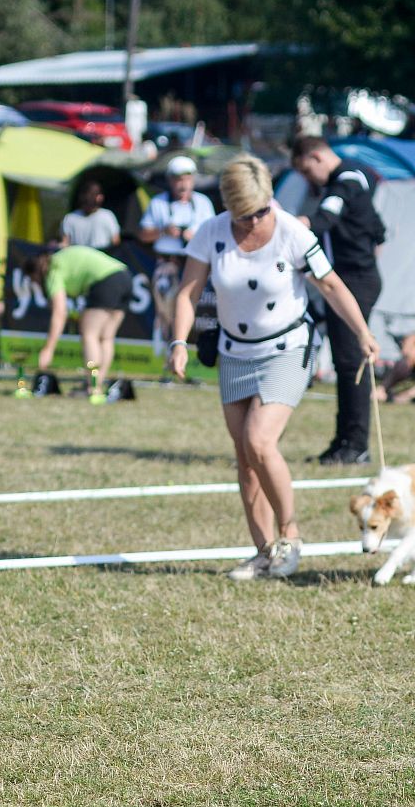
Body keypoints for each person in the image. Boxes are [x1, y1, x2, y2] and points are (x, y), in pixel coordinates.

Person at [168, 155, 379, 581]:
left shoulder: (291, 231)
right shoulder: (211, 232)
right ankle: (264, 553)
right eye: (246, 214)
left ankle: (290, 534)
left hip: (287, 347)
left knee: (259, 440)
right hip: (234, 353)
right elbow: (188, 292)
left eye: (263, 209)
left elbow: (330, 283)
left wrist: (361, 331)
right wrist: (178, 342)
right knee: (245, 461)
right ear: (228, 205)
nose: (256, 220)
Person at [289, 136, 386, 465]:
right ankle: (342, 441)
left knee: (351, 364)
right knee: (346, 363)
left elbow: (329, 212)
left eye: (306, 172)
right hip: (352, 278)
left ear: (316, 156)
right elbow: (379, 231)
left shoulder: (348, 178)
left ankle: (356, 445)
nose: (308, 181)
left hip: (355, 282)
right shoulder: (355, 179)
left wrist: (299, 225)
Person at [140, 155, 216, 356]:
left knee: (195, 312)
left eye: (186, 179)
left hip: (195, 264)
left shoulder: (203, 203)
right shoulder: (158, 203)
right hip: (168, 263)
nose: (182, 184)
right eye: (177, 179)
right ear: (170, 180)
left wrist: (195, 236)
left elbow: (214, 234)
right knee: (166, 313)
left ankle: (192, 359)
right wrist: (164, 231)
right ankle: (169, 361)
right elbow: (143, 234)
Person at [31, 246, 132, 395]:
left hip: (105, 280)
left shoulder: (53, 270)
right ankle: (95, 385)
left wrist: (48, 349)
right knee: (106, 338)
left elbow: (59, 312)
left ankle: (92, 387)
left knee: (90, 335)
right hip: (124, 276)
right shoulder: (61, 259)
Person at [59, 179, 121, 249]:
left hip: (80, 257)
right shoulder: (108, 216)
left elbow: (64, 244)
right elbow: (116, 242)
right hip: (98, 257)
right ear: (100, 197)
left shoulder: (69, 218)